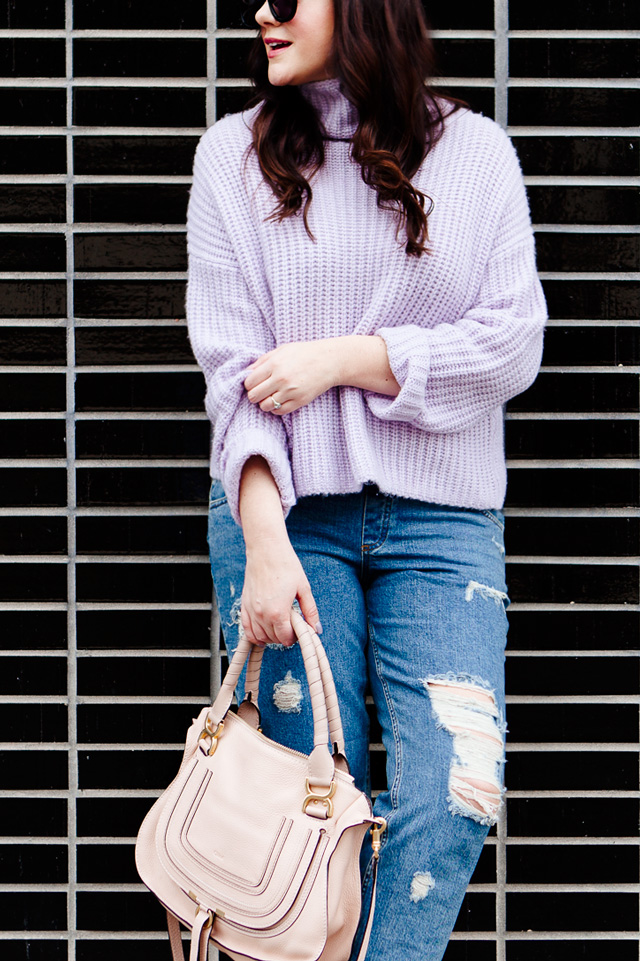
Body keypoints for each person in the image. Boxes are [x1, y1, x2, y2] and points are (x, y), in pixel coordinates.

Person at [186, 0, 547, 957]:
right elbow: (234, 371)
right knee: (299, 810)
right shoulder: (232, 157)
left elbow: (512, 343)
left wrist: (348, 358)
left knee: (454, 791)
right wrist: (263, 547)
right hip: (287, 520)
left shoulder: (475, 155)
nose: (261, 10)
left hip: (444, 524)